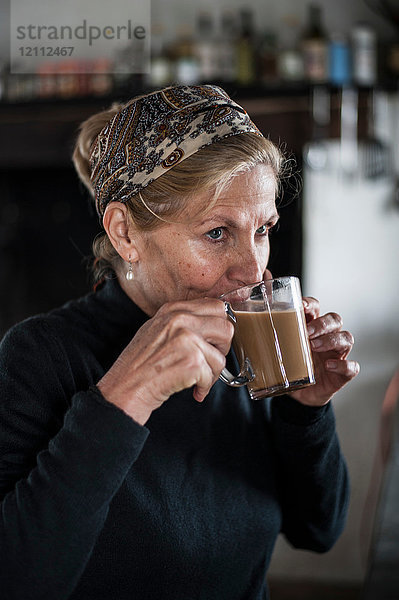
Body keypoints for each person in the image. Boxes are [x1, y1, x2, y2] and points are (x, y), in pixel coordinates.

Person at [0, 84, 359, 600]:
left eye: (263, 229)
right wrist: (126, 395)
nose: (254, 270)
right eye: (217, 233)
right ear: (124, 233)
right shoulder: (40, 356)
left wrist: (306, 410)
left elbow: (318, 532)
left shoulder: (251, 345)